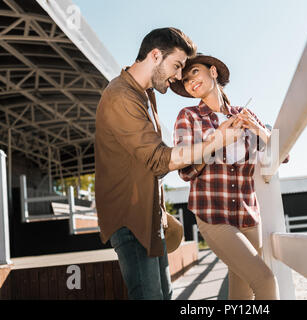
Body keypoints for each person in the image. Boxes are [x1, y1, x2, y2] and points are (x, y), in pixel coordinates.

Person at [95, 29, 243, 300]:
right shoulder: (121, 97)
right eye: (176, 66)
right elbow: (158, 160)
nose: (178, 77)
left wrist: (161, 213)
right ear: (155, 55)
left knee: (166, 295)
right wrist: (216, 141)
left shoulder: (144, 94)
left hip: (151, 218)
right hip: (130, 221)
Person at [171, 54, 288, 300]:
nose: (190, 81)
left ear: (213, 72)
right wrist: (216, 140)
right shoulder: (188, 116)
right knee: (265, 280)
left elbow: (282, 156)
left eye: (194, 72)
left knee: (242, 293)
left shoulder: (245, 114)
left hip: (248, 216)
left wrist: (259, 131)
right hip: (213, 214)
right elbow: (185, 170)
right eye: (185, 80)